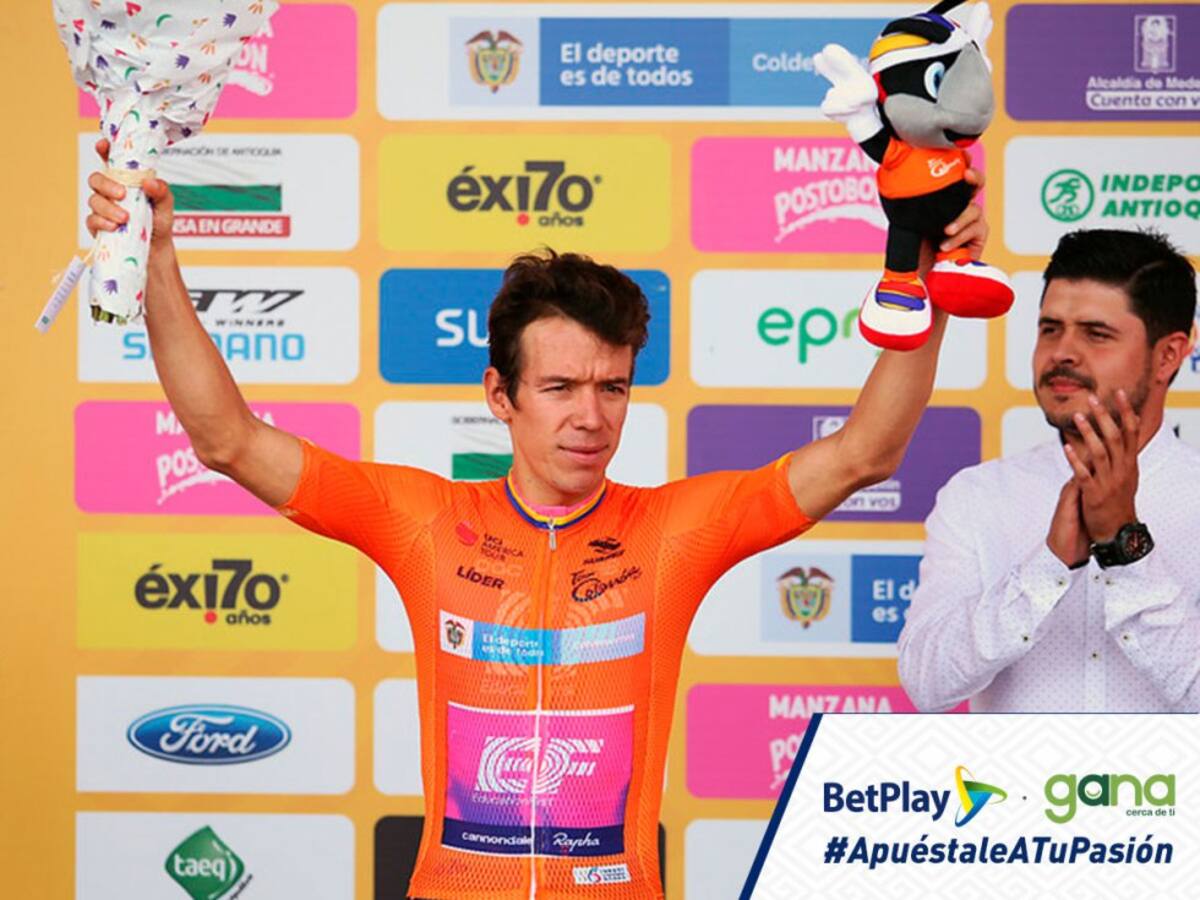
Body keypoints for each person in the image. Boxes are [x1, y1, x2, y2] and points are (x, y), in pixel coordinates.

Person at [86, 140, 988, 899]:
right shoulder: (424, 520)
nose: (590, 418)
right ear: (500, 395)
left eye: (612, 388)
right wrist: (157, 260)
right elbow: (228, 440)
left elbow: (865, 453)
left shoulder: (672, 531)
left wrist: (927, 279)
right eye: (559, 387)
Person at [898, 228, 1199, 714]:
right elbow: (927, 683)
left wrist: (1125, 547)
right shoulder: (978, 496)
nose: (1062, 352)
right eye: (1050, 328)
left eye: (1096, 333)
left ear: (1168, 355)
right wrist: (1048, 568)